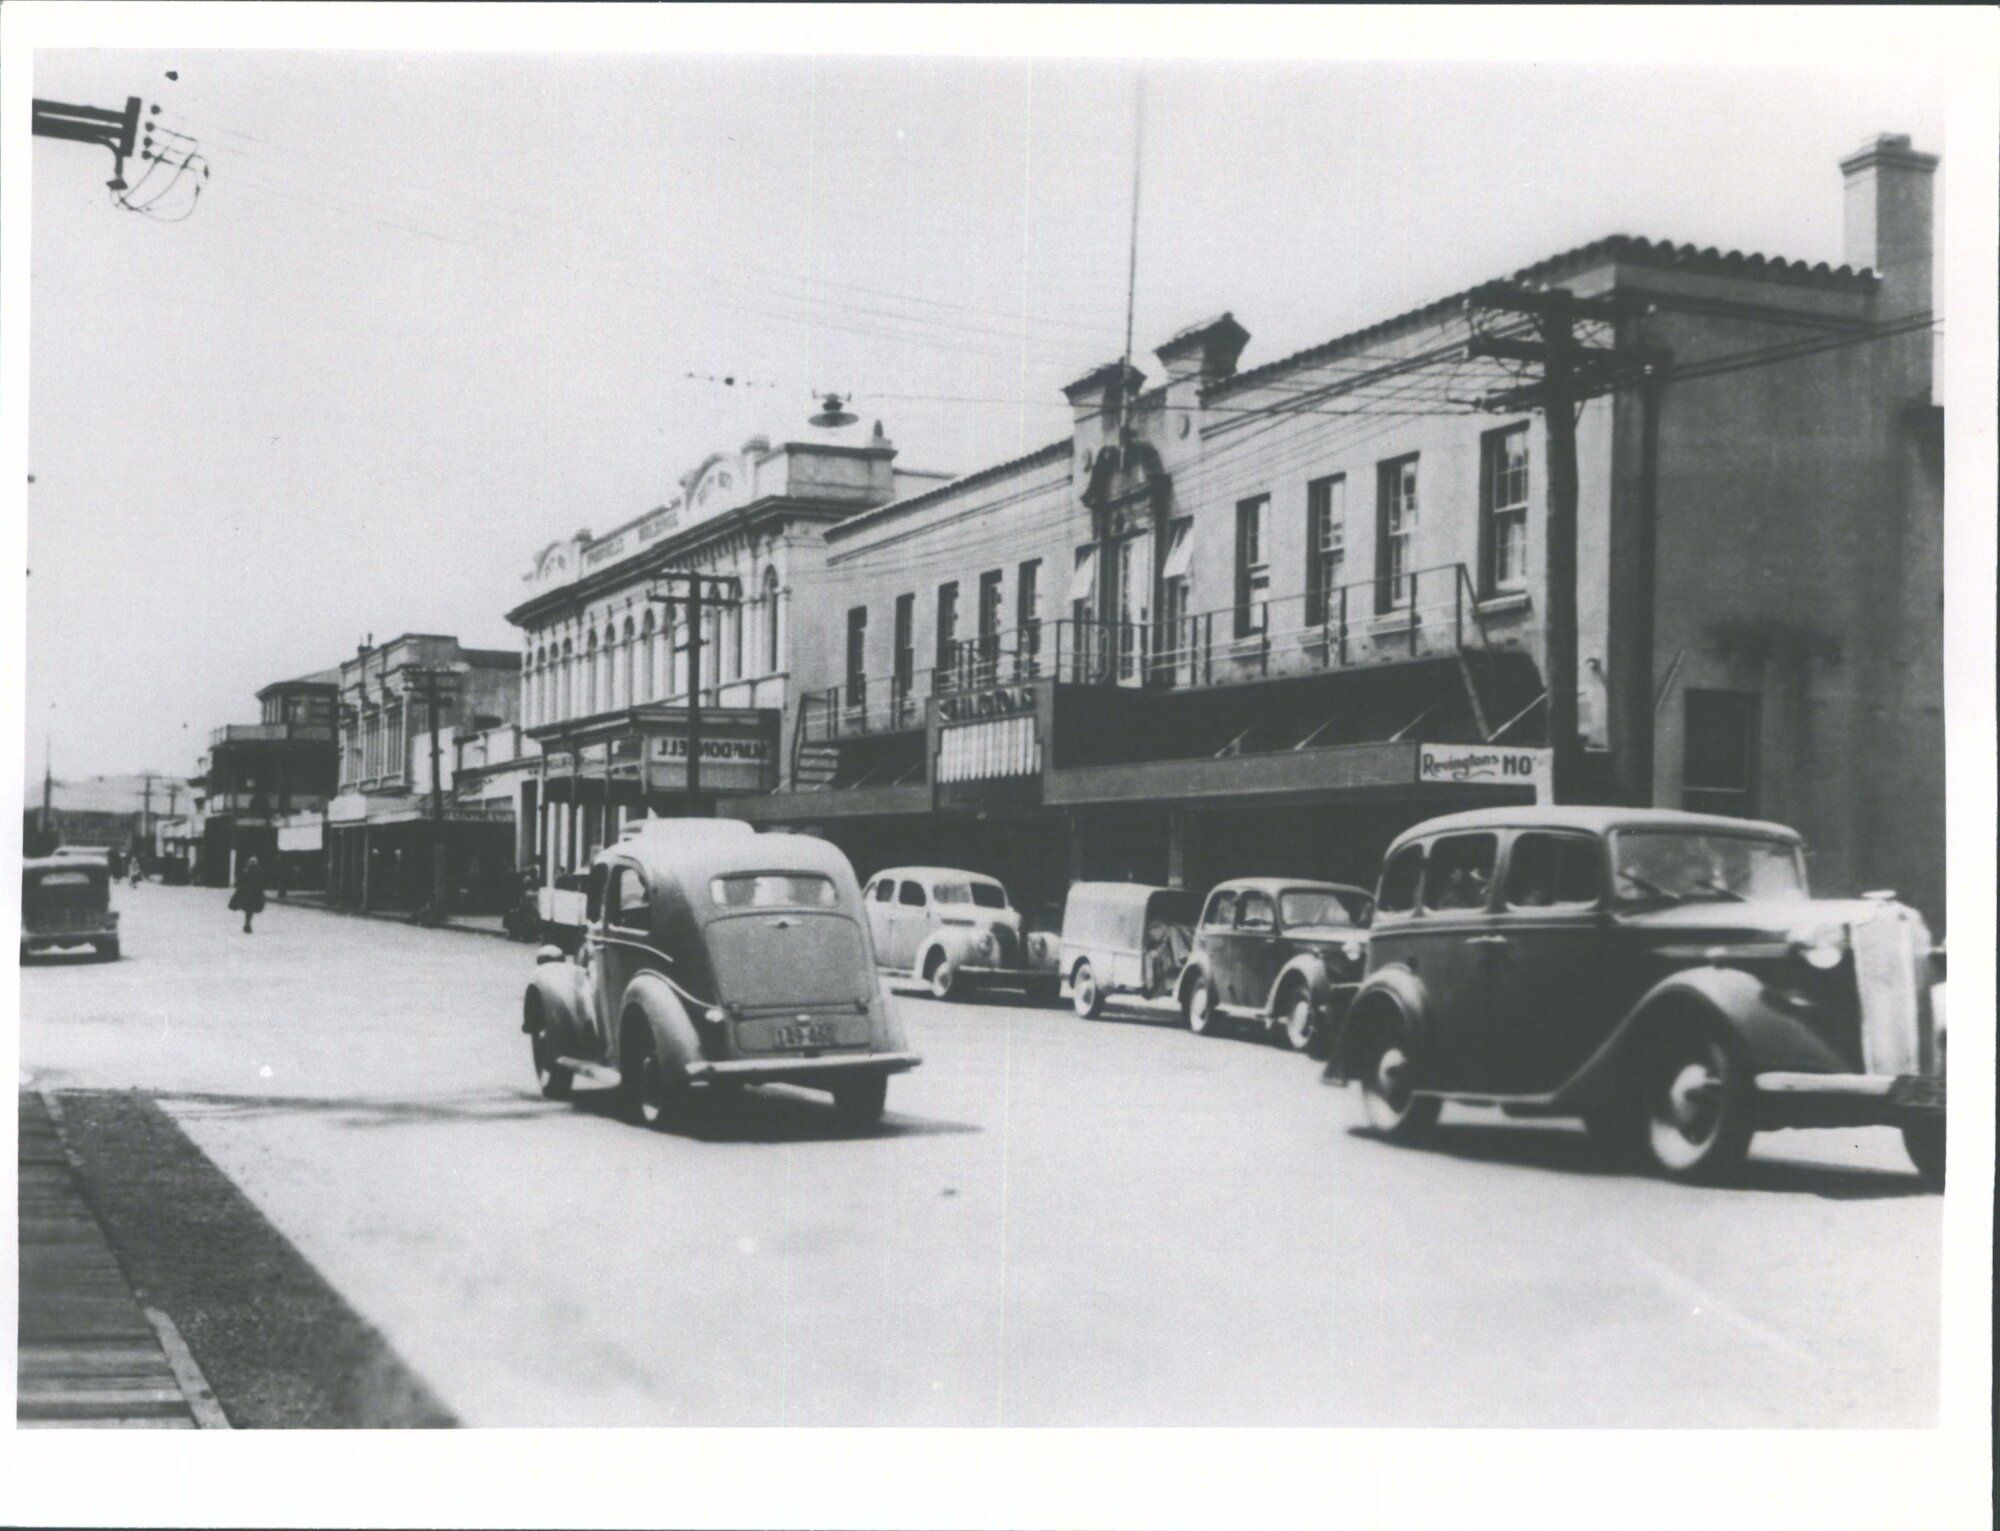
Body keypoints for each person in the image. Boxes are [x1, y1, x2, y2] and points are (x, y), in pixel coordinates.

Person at [229, 855, 267, 934]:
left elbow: (239, 883)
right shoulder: (258, 872)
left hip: (246, 894)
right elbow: (261, 884)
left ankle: (247, 924)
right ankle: (247, 924)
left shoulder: (245, 871)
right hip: (254, 895)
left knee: (247, 909)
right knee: (250, 910)